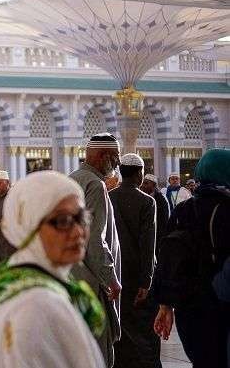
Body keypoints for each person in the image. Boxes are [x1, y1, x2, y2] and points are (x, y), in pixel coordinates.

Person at [0, 171, 105, 368]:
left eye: (81, 218)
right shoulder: (38, 304)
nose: (78, 231)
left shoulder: (11, 282)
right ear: (29, 225)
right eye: (62, 221)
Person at [154, 149, 230, 367]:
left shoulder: (184, 209)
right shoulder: (226, 209)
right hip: (220, 304)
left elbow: (167, 258)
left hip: (190, 307)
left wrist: (165, 305)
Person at [69, 132, 122, 368]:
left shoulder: (72, 178)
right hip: (92, 281)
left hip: (72, 277)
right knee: (98, 352)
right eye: (116, 157)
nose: (118, 163)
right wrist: (110, 278)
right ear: (103, 156)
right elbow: (93, 239)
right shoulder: (95, 184)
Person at [108, 154, 159, 368]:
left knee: (121, 326)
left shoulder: (109, 197)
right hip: (137, 275)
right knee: (144, 332)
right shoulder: (147, 201)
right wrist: (146, 281)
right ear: (139, 173)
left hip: (115, 273)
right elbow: (148, 245)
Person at [140, 174, 170, 252]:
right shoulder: (140, 197)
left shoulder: (162, 200)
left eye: (146, 183)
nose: (143, 186)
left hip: (157, 237)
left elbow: (164, 221)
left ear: (154, 185)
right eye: (143, 183)